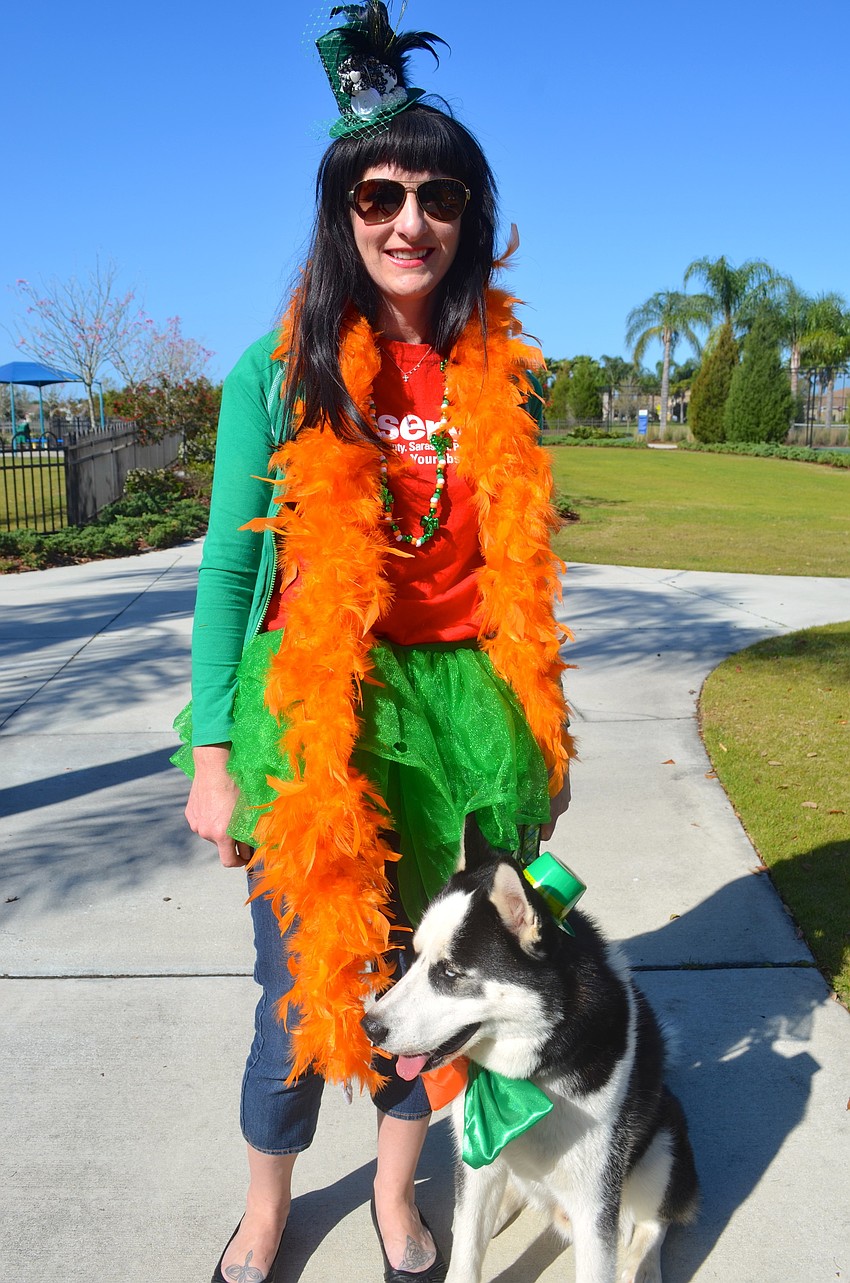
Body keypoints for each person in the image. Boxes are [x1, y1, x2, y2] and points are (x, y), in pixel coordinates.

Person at [172, 5, 574, 1280]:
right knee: (301, 989)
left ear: (467, 212)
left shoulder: (493, 371)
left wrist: (542, 728)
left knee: (431, 984)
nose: (410, 219)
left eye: (438, 193)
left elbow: (520, 569)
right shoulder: (280, 371)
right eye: (380, 192)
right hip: (321, 712)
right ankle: (267, 1205)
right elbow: (234, 563)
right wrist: (214, 748)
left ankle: (400, 1200)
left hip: (467, 720)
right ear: (342, 209)